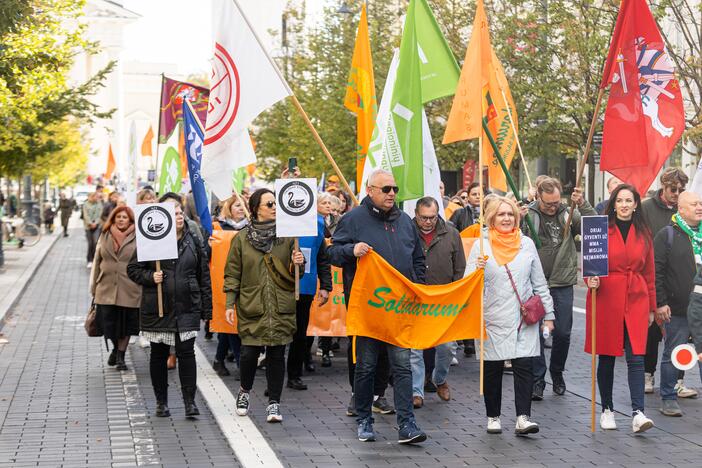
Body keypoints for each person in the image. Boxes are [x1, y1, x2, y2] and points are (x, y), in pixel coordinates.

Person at [328, 169, 427, 445]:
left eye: (394, 189)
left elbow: (418, 258)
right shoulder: (353, 219)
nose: (392, 194)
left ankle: (407, 424)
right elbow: (333, 253)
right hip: (368, 309)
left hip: (400, 309)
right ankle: (364, 421)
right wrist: (351, 250)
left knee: (402, 366)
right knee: (366, 367)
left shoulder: (405, 221)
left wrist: (417, 286)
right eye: (386, 189)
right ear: (370, 190)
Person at [467, 197, 555, 435]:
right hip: (492, 318)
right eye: (500, 214)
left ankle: (523, 417)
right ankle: (493, 416)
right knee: (493, 369)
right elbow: (467, 285)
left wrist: (549, 315)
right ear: (491, 217)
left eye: (510, 214)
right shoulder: (480, 246)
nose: (506, 218)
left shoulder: (526, 244)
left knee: (524, 366)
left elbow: (539, 282)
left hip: (522, 318)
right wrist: (477, 270)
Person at [224, 189, 305, 423]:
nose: (275, 207)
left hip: (280, 304)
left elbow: (296, 272)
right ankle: (244, 391)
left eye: (276, 203)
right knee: (248, 353)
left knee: (277, 354)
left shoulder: (289, 236)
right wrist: (230, 303)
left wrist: (299, 262)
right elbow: (232, 274)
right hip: (252, 305)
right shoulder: (241, 239)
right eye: (269, 204)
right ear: (256, 208)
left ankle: (274, 403)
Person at [127, 200, 212, 418]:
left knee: (186, 353)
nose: (179, 216)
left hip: (187, 306)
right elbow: (133, 268)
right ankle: (161, 402)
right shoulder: (151, 242)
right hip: (158, 306)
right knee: (159, 354)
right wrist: (149, 276)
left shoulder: (193, 240)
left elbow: (204, 275)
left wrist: (207, 309)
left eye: (180, 212)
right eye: (173, 213)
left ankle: (190, 403)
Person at [585, 184, 656, 433]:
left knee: (637, 356)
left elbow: (649, 273)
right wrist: (589, 280)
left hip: (636, 297)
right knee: (607, 355)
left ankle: (638, 413)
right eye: (620, 200)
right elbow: (590, 263)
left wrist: (652, 308)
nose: (624, 205)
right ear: (613, 204)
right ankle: (607, 409)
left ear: (636, 204)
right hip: (607, 295)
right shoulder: (601, 229)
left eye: (629, 200)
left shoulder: (644, 232)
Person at [524, 178, 596, 399]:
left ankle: (557, 372)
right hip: (535, 282)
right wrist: (518, 218)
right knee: (534, 332)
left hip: (562, 280)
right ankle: (538, 379)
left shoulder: (567, 212)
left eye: (556, 202)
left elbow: (594, 226)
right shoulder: (528, 214)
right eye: (548, 204)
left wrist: (582, 204)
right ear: (538, 197)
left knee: (563, 332)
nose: (553, 207)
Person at [411, 197, 466, 408]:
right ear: (416, 215)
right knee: (415, 349)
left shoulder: (451, 233)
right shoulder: (407, 232)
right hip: (415, 299)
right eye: (424, 218)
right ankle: (417, 392)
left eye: (432, 217)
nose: (428, 222)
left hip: (444, 300)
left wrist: (457, 294)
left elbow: (459, 267)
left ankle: (440, 379)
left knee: (447, 348)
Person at [641, 167, 690, 395]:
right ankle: (647, 374)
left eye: (681, 189)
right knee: (653, 330)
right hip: (654, 273)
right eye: (673, 189)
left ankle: (678, 379)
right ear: (663, 186)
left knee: (682, 333)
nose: (677, 193)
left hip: (680, 277)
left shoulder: (686, 211)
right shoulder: (646, 208)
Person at [654, 190, 702, 416]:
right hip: (678, 308)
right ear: (681, 209)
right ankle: (668, 397)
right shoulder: (667, 235)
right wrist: (661, 303)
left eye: (701, 203)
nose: (699, 207)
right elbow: (657, 272)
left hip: (700, 310)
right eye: (694, 204)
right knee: (674, 353)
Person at [286, 194, 332, 390]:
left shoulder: (317, 227)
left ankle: (294, 374)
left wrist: (325, 286)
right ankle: (275, 377)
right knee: (278, 336)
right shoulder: (281, 224)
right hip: (281, 288)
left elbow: (323, 258)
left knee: (300, 334)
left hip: (304, 288)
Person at [90, 206, 141, 371]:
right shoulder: (104, 235)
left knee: (126, 325)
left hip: (130, 288)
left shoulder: (138, 236)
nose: (121, 220)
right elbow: (97, 260)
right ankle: (114, 347)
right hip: (106, 287)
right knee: (108, 324)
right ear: (113, 218)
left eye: (124, 217)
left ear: (130, 220)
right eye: (118, 217)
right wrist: (93, 286)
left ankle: (120, 355)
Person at [212, 196, 248, 377]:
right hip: (224, 280)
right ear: (229, 208)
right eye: (237, 205)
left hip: (246, 279)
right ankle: (242, 362)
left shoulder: (251, 228)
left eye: (243, 205)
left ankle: (219, 359)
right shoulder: (218, 228)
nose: (241, 208)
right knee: (231, 320)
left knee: (232, 322)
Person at [83, 191, 104, 268]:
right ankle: (89, 260)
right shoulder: (85, 204)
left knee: (95, 242)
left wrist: (95, 223)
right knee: (90, 243)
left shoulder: (99, 204)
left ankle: (96, 259)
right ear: (90, 197)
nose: (96, 198)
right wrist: (90, 223)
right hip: (88, 227)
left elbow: (99, 214)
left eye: (96, 196)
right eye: (94, 196)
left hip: (97, 226)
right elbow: (85, 215)